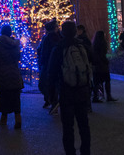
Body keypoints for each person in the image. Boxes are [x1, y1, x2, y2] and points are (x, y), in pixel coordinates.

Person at [48, 21, 93, 155]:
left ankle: (70, 152)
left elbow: (52, 72)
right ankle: (86, 151)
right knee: (84, 126)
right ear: (75, 32)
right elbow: (92, 61)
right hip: (82, 91)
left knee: (68, 128)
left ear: (62, 32)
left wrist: (52, 95)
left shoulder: (59, 48)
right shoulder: (82, 46)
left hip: (66, 91)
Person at [0, 24, 23, 129]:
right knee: (16, 97)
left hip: (2, 74)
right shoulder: (16, 45)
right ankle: (18, 118)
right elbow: (18, 57)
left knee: (3, 96)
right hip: (14, 73)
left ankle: (3, 118)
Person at [37, 19, 61, 109]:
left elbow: (43, 52)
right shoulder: (57, 37)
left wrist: (41, 62)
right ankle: (52, 101)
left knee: (46, 84)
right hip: (53, 64)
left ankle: (52, 101)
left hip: (47, 64)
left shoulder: (48, 38)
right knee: (51, 83)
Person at [91, 30, 117, 102]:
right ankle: (108, 96)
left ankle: (95, 96)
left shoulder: (94, 44)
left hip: (96, 65)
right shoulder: (103, 44)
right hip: (102, 65)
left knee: (96, 82)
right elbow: (103, 54)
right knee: (107, 80)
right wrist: (106, 61)